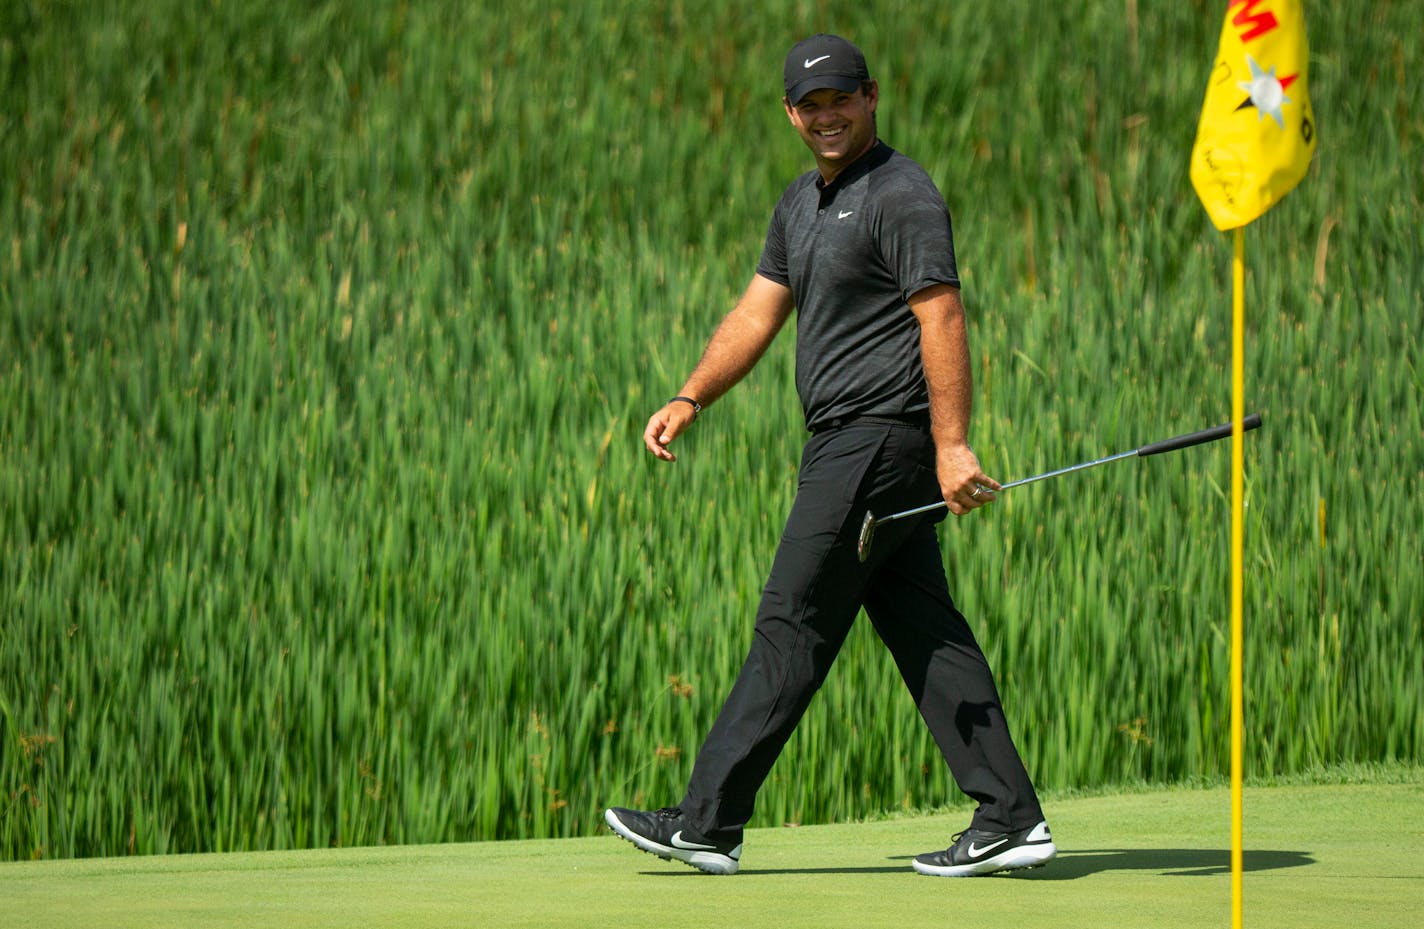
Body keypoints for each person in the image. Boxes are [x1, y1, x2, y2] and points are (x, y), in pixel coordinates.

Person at [604, 34, 1054, 878]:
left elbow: (942, 317)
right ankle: (1010, 815)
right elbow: (754, 315)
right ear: (790, 114)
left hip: (877, 438)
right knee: (924, 630)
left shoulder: (902, 192)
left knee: (792, 621)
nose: (826, 117)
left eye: (840, 99)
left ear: (872, 95)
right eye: (810, 106)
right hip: (850, 444)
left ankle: (708, 822)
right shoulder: (800, 204)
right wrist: (689, 395)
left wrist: (951, 444)